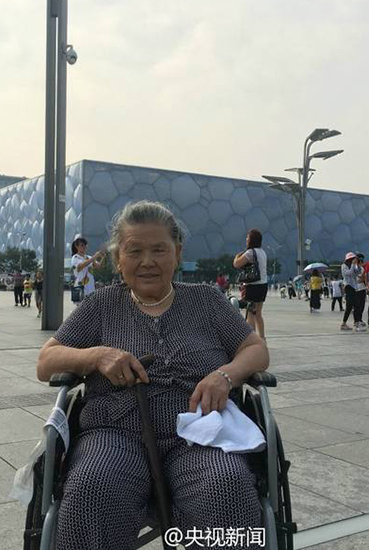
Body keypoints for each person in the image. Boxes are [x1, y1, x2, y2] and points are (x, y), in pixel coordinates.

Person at [37, 200, 268, 549]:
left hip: (198, 433)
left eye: (159, 249)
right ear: (118, 259)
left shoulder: (207, 300)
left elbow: (256, 350)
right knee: (92, 487)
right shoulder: (101, 305)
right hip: (115, 432)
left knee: (227, 487)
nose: (147, 261)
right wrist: (97, 356)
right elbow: (47, 360)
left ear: (177, 253)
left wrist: (225, 375)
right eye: (135, 251)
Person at [233, 229, 268, 340]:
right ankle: (262, 339)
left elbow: (237, 264)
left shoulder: (250, 253)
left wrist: (237, 256)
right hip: (263, 286)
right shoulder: (263, 252)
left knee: (251, 313)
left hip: (253, 287)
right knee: (258, 314)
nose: (246, 239)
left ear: (252, 240)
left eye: (248, 238)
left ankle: (252, 340)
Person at [71, 236, 106, 304]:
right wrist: (94, 257)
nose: (84, 247)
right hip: (81, 288)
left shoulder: (88, 257)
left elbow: (98, 266)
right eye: (82, 245)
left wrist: (103, 258)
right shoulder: (75, 257)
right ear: (76, 246)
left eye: (85, 245)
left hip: (90, 288)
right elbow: (80, 266)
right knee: (81, 310)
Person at [340, 252, 365, 331]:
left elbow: (358, 272)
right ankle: (344, 323)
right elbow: (348, 273)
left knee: (356, 305)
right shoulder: (344, 266)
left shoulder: (354, 265)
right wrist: (353, 265)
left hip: (354, 287)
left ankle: (356, 323)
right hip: (348, 286)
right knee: (349, 306)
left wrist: (357, 265)